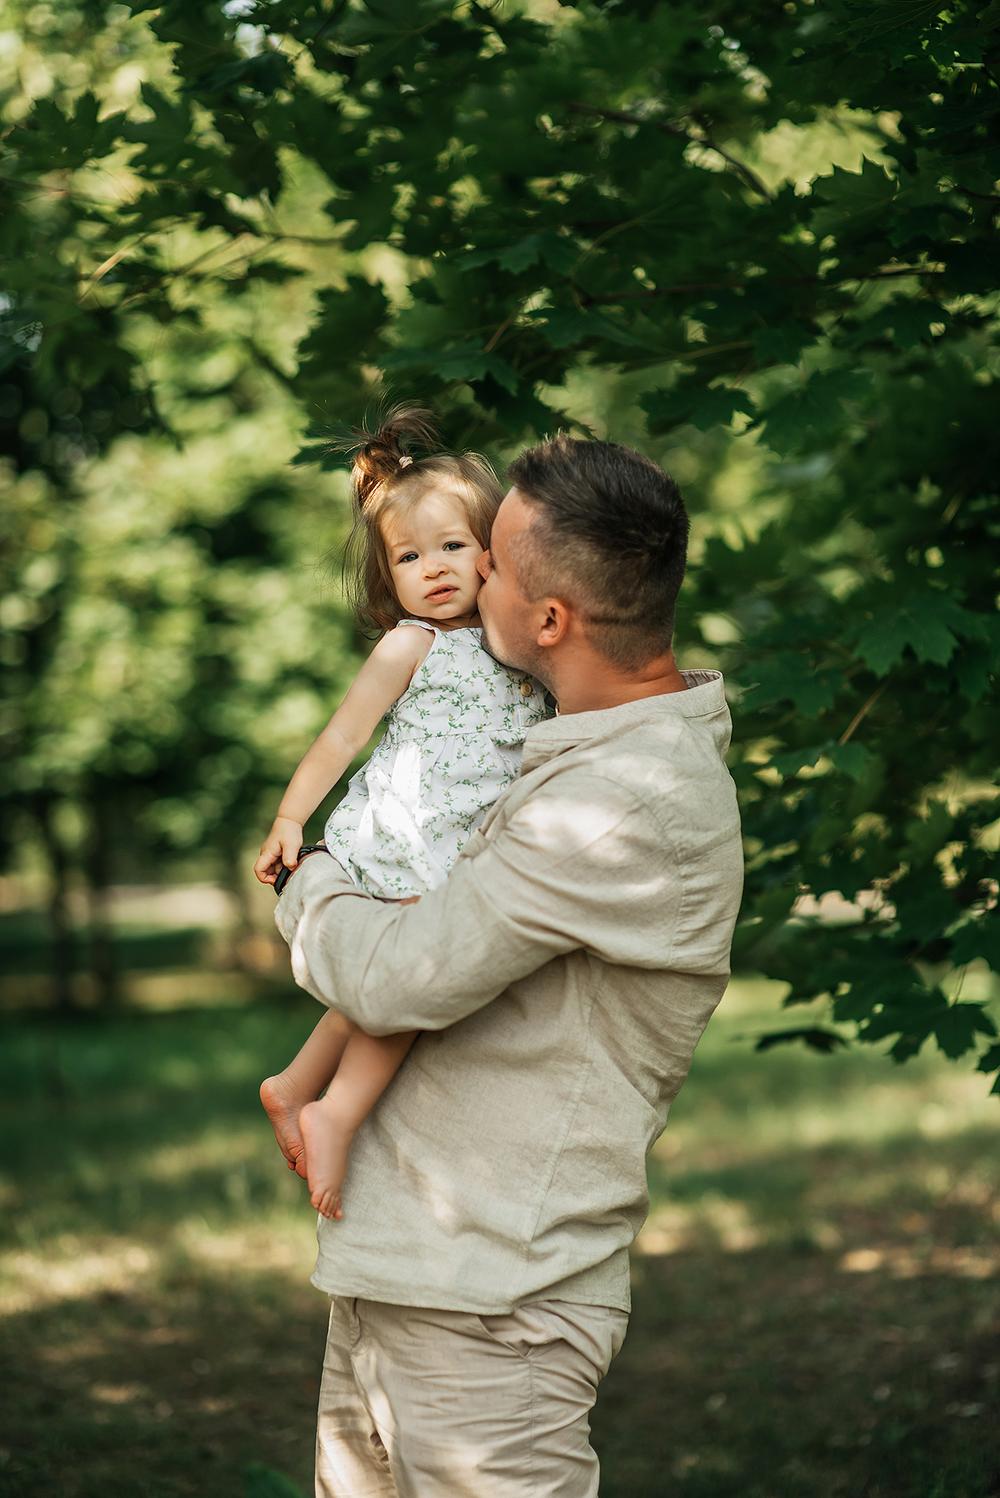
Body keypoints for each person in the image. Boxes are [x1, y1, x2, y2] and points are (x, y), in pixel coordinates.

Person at [272, 434, 744, 1498]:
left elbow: (395, 975)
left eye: (487, 558)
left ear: (547, 621)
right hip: (409, 1273)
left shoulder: (617, 799)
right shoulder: (562, 747)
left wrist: (308, 870)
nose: (462, 575)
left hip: (493, 1311)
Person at [253, 406, 549, 1218]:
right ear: (390, 574)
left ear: (495, 549)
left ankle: (296, 1084)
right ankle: (335, 1115)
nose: (435, 568)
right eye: (409, 556)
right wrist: (289, 819)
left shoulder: (517, 642)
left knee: (395, 978)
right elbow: (342, 734)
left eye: (454, 546)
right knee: (412, 980)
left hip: (463, 850)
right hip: (406, 842)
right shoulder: (410, 643)